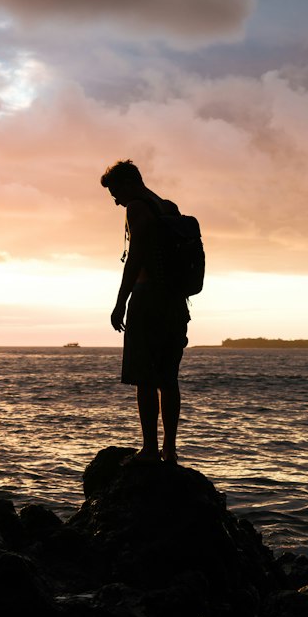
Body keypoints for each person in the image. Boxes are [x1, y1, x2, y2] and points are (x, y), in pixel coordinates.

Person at [101, 158, 190, 464]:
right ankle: (170, 450)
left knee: (145, 378)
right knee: (169, 379)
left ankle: (150, 450)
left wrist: (120, 302)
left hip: (148, 300)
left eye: (115, 192)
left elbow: (135, 258)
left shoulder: (137, 207)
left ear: (128, 183)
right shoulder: (168, 206)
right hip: (176, 303)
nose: (115, 201)